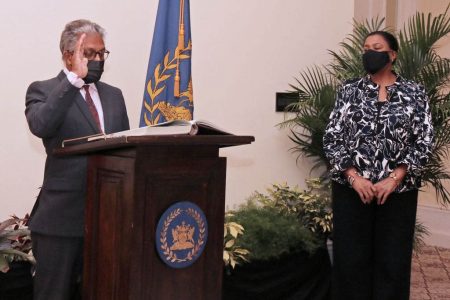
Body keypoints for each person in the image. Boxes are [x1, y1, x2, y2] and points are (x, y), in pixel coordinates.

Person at [323, 31, 434, 300]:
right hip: (352, 191)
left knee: (392, 264)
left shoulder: (414, 93)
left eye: (377, 47)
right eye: (365, 48)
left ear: (392, 55)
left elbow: (425, 139)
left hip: (398, 193)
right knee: (351, 262)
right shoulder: (349, 90)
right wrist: (353, 176)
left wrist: (395, 178)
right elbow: (332, 137)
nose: (369, 52)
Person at [25, 19, 130, 300]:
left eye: (101, 54)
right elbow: (41, 125)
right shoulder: (44, 91)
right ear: (68, 54)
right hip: (61, 221)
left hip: (108, 220)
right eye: (89, 53)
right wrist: (73, 80)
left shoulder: (114, 96)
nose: (97, 60)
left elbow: (126, 151)